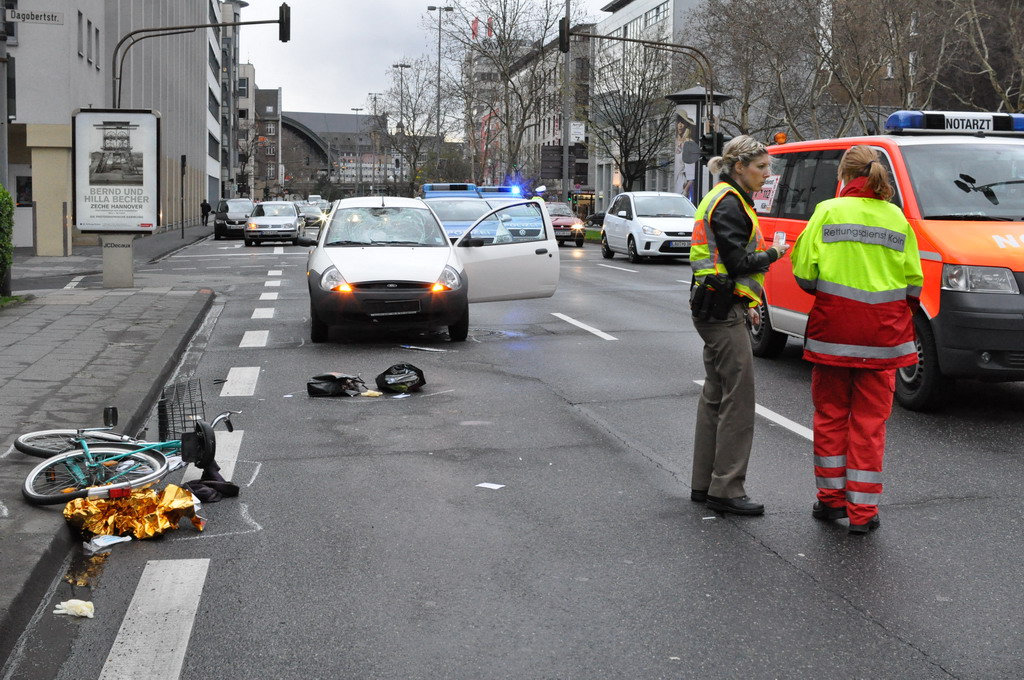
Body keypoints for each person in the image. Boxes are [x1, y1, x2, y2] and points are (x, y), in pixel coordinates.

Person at [790, 145, 923, 534]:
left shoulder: (828, 211)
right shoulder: (897, 218)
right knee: (869, 425)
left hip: (833, 335)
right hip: (883, 339)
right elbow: (913, 284)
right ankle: (863, 514)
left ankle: (830, 502)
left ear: (845, 176)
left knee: (831, 417)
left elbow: (803, 273)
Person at [689, 135, 788, 516]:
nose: (767, 174)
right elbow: (736, 262)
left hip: (717, 305)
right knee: (739, 399)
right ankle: (727, 489)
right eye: (761, 167)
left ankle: (704, 484)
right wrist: (773, 254)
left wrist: (745, 302)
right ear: (739, 167)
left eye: (768, 167)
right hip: (721, 309)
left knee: (716, 395)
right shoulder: (730, 203)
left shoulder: (723, 198)